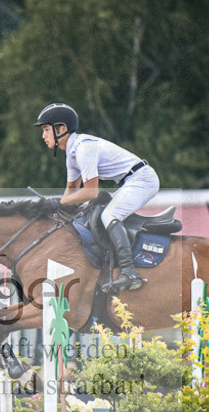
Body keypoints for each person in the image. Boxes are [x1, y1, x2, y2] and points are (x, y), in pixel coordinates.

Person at [34, 102, 160, 292]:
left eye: (46, 129)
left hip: (143, 180)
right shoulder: (72, 155)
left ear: (61, 129)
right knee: (93, 216)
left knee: (109, 215)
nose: (43, 136)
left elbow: (90, 192)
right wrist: (54, 207)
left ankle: (129, 272)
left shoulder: (84, 149)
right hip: (131, 181)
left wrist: (57, 202)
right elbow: (71, 193)